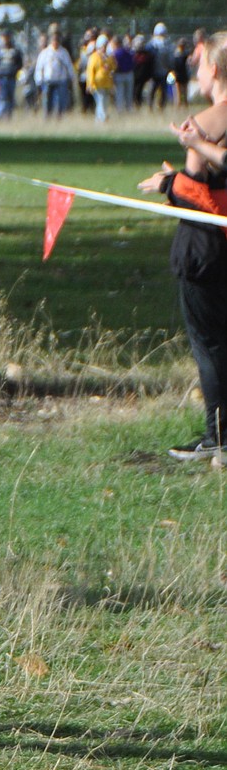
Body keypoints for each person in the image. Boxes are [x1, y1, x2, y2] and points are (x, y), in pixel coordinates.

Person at [138, 32, 227, 459]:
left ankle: (218, 438)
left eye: (200, 62)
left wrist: (168, 182)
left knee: (209, 344)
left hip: (206, 249)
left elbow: (198, 194)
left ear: (214, 69)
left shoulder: (208, 122)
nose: (195, 69)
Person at [34, 26, 75, 116]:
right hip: (48, 81)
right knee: (47, 101)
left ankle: (59, 118)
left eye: (57, 40)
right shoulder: (45, 53)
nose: (55, 42)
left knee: (61, 101)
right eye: (53, 40)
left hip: (61, 81)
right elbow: (39, 67)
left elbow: (69, 66)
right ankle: (47, 118)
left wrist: (72, 77)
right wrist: (39, 80)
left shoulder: (64, 52)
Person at [86, 34, 115, 122]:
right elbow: (90, 71)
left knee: (104, 103)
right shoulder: (94, 57)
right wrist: (90, 84)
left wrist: (111, 63)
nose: (105, 48)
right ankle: (103, 119)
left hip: (107, 84)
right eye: (103, 46)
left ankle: (98, 120)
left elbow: (113, 67)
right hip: (97, 85)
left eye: (106, 46)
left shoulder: (108, 57)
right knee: (101, 102)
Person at [0, 31, 22, 119]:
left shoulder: (15, 50)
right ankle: (0, 115)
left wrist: (14, 70)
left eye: (7, 37)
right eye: (4, 37)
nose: (5, 39)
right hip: (2, 77)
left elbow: (20, 63)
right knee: (3, 96)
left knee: (10, 96)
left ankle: (8, 116)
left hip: (12, 77)